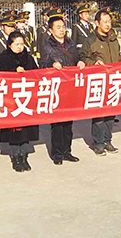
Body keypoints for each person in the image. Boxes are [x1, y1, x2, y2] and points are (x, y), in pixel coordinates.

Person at [40, 9, 85, 164]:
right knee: (57, 123)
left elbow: (77, 58)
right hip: (57, 88)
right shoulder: (47, 47)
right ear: (51, 30)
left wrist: (80, 62)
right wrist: (51, 64)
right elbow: (42, 65)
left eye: (63, 26)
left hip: (70, 86)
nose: (61, 30)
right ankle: (57, 153)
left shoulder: (71, 44)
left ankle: (67, 151)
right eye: (58, 27)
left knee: (68, 123)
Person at [80, 9, 121, 155]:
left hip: (113, 81)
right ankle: (98, 143)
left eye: (109, 22)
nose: (107, 24)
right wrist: (94, 62)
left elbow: (117, 56)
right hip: (98, 82)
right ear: (97, 23)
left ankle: (107, 140)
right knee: (99, 114)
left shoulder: (113, 39)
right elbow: (82, 57)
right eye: (104, 22)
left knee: (111, 114)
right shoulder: (91, 40)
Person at [0, 31, 39, 172]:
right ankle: (15, 157)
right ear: (10, 45)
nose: (20, 47)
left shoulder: (28, 58)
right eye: (17, 44)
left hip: (26, 99)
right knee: (14, 130)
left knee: (26, 130)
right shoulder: (3, 59)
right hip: (11, 101)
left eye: (22, 44)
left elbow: (37, 74)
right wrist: (13, 71)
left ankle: (24, 156)